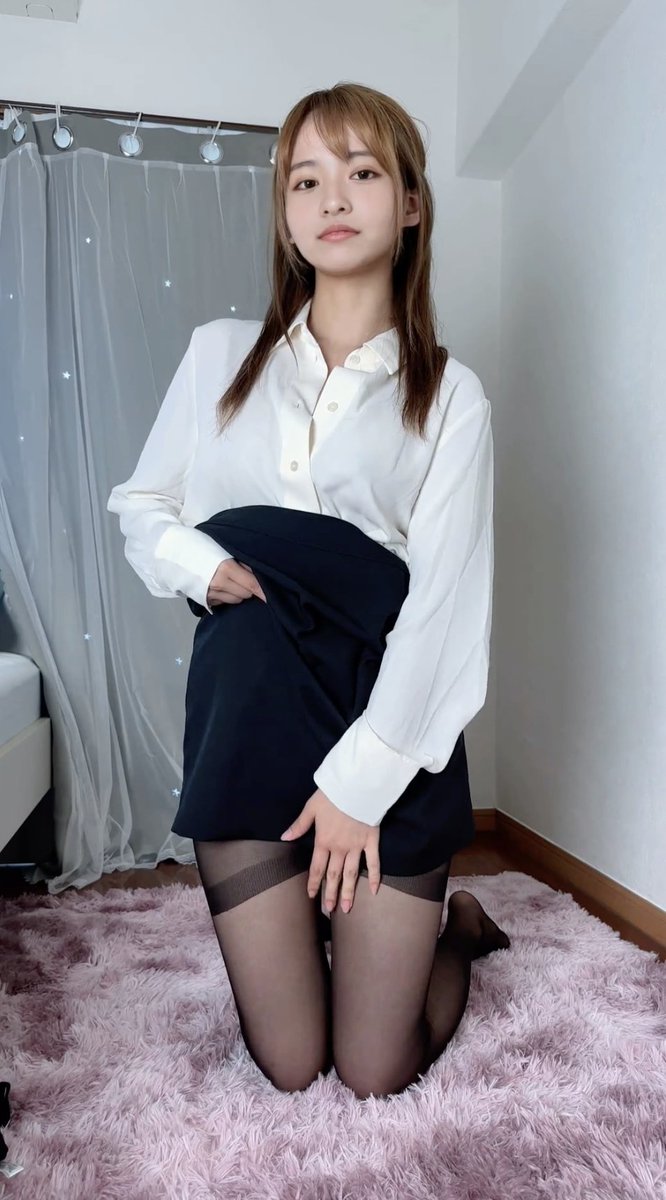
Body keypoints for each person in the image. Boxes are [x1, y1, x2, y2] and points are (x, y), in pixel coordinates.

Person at [107, 81, 511, 1102]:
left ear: (410, 204)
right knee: (292, 1065)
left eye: (362, 172)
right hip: (250, 706)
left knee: (375, 1070)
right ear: (285, 213)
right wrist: (199, 565)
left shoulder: (450, 396)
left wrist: (359, 788)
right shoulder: (218, 354)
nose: (332, 197)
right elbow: (142, 505)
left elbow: (446, 611)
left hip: (388, 716)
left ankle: (457, 931)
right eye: (305, 179)